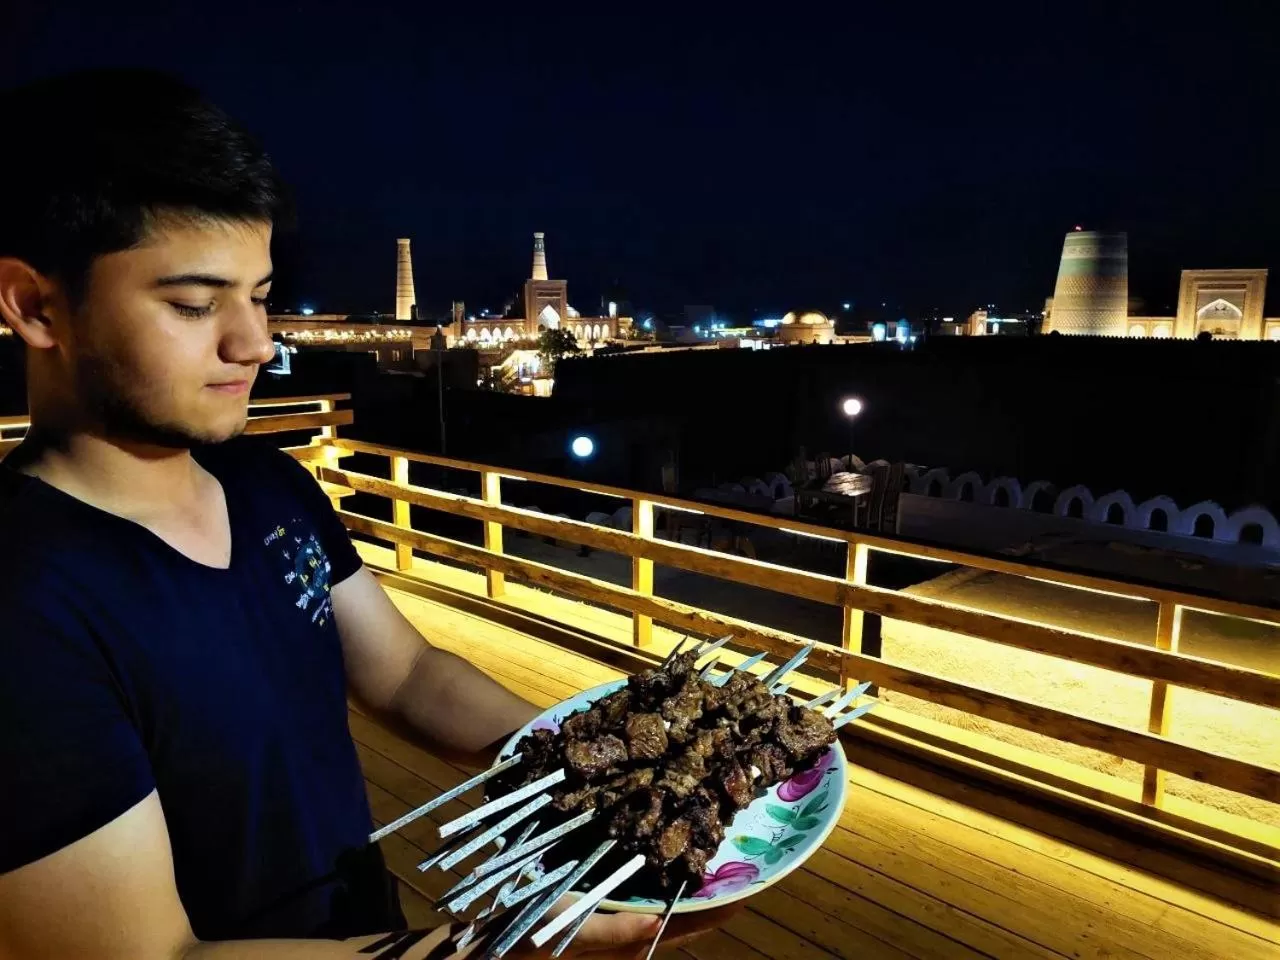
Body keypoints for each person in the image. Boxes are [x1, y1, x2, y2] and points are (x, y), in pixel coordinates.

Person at [0, 70, 725, 959]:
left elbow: (406, 675)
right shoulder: (26, 605)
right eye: (194, 304)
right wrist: (510, 950)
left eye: (260, 297)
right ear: (36, 306)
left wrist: (608, 763)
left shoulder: (269, 485)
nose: (255, 343)